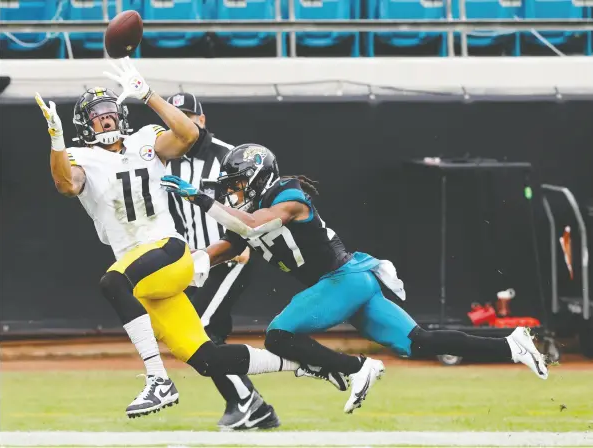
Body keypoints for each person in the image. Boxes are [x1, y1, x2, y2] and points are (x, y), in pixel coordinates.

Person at [35, 59, 335, 420]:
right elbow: (67, 184)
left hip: (167, 249)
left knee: (113, 282)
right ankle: (305, 365)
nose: (106, 118)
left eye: (110, 111)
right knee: (207, 358)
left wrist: (148, 94)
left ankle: (158, 380)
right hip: (144, 271)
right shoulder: (78, 156)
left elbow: (188, 136)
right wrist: (55, 140)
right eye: (97, 114)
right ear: (86, 124)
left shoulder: (146, 140)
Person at [161, 143, 550, 412]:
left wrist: (198, 197)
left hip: (343, 280)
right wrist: (188, 265)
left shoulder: (288, 197)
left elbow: (247, 224)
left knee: (279, 335)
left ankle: (354, 368)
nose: (233, 194)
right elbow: (226, 245)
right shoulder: (248, 212)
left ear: (259, 176)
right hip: (349, 284)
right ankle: (511, 345)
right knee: (419, 343)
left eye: (238, 184)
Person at [164, 92, 278, 430]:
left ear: (201, 120)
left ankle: (247, 401)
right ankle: (250, 405)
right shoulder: (164, 158)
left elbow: (258, 197)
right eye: (174, 116)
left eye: (187, 116)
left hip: (231, 254)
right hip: (194, 261)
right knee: (199, 334)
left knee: (198, 329)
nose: (181, 122)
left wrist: (243, 240)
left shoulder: (229, 156)